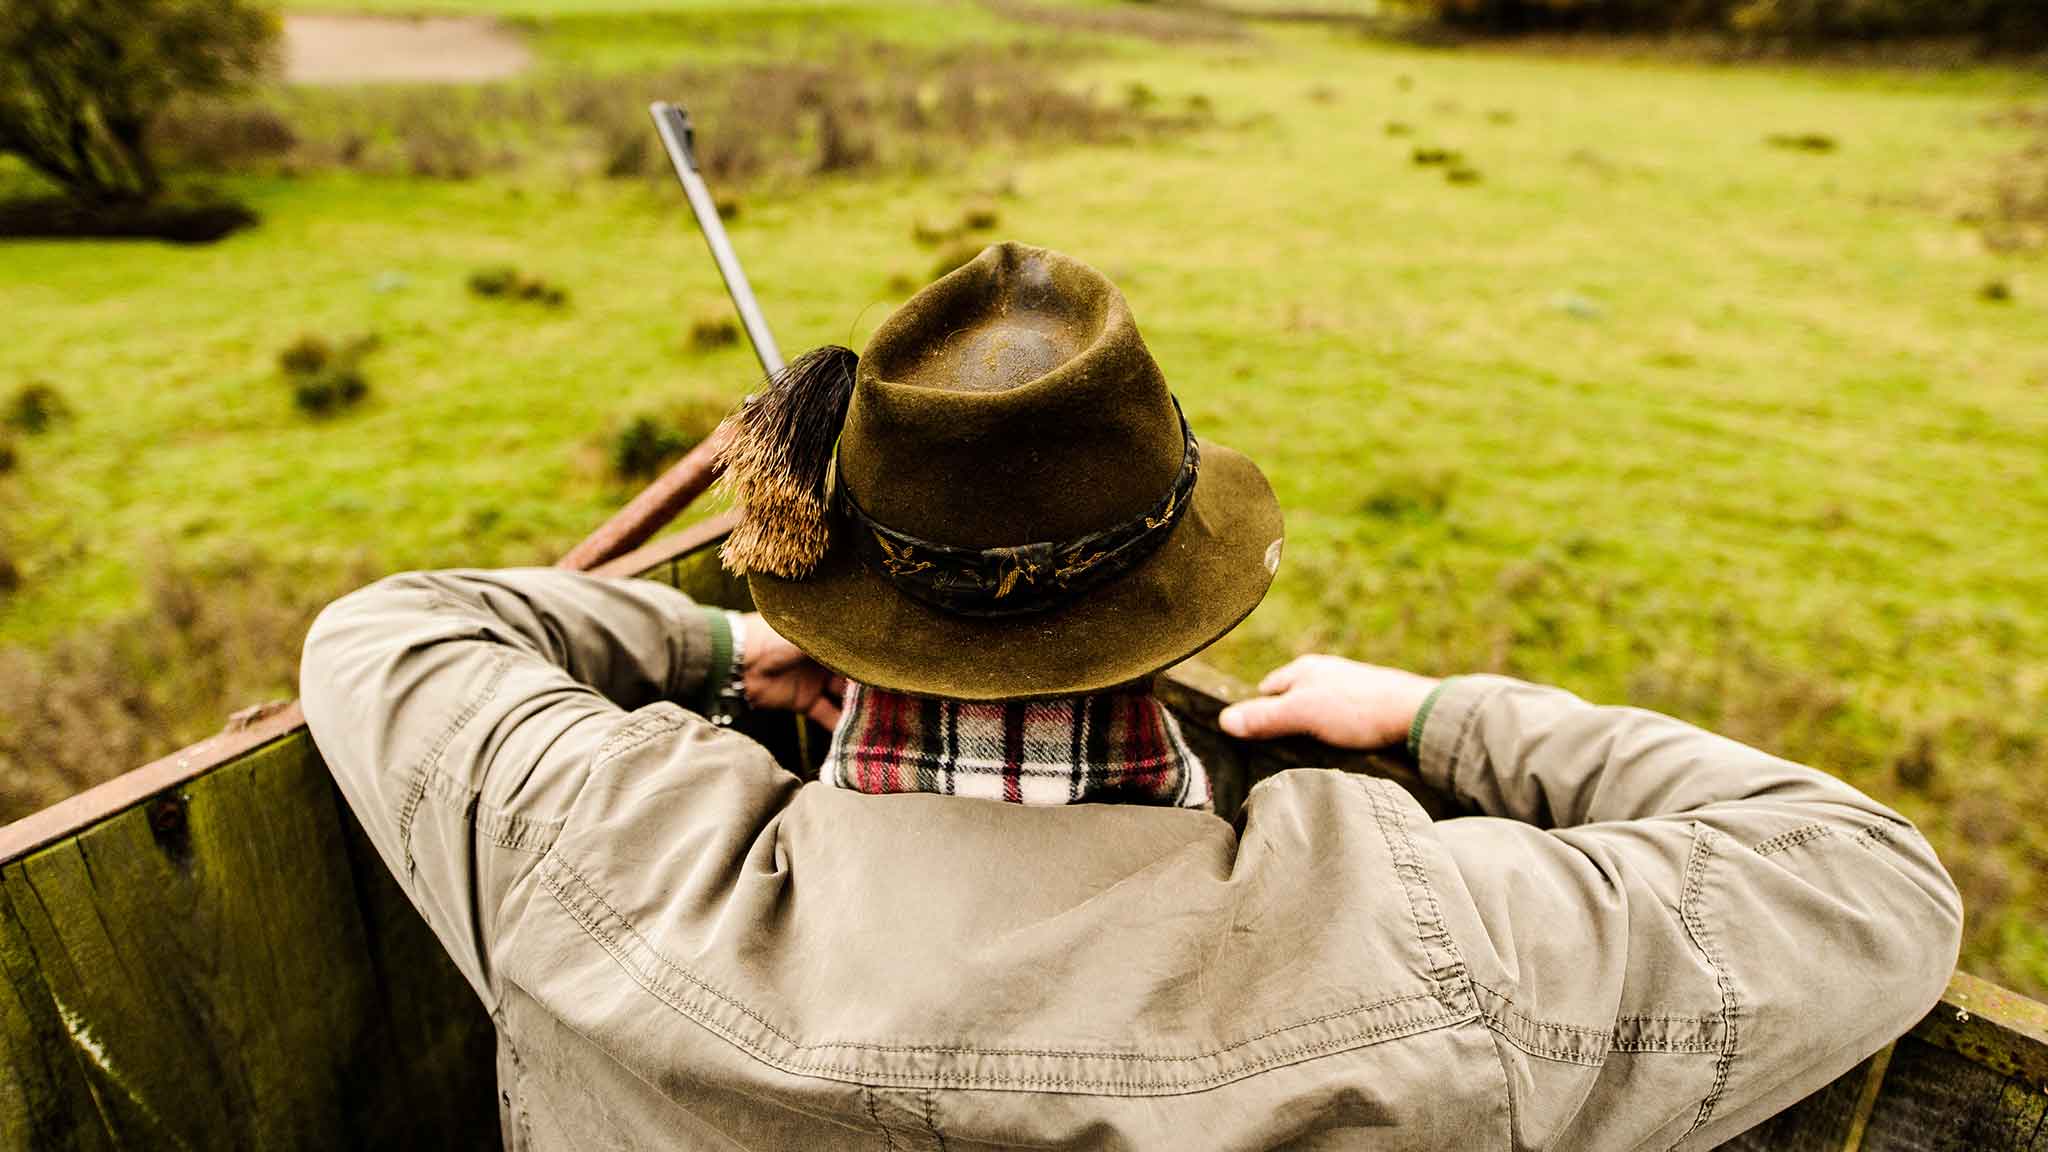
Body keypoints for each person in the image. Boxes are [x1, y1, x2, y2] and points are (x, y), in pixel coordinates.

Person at [301, 243, 1961, 1151]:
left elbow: (393, 633)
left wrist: (724, 654)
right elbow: (1868, 881)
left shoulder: (590, 849)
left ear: (840, 593)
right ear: (1180, 605)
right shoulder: (1430, 951)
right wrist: (1440, 715)